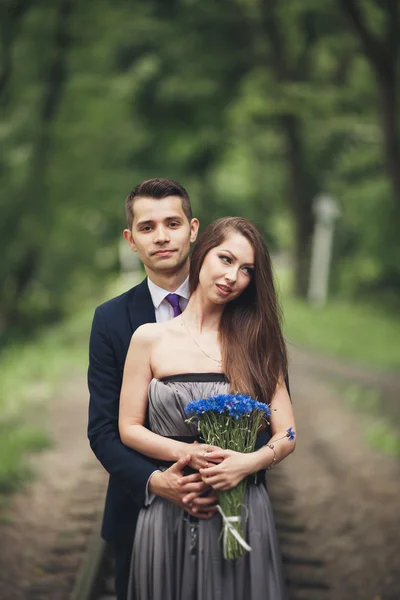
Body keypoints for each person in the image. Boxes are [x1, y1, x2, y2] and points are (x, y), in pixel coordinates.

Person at [119, 216, 296, 600]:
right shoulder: (149, 339)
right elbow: (128, 427)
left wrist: (246, 464)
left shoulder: (260, 343)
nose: (233, 276)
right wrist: (185, 453)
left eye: (247, 269)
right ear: (203, 254)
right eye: (226, 259)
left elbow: (288, 433)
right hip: (174, 497)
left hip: (242, 505)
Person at [88, 178, 219, 600]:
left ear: (193, 229)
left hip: (228, 505)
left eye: (172, 223)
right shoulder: (110, 320)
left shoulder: (234, 307)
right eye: (147, 227)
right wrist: (155, 481)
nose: (161, 236)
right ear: (131, 239)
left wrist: (222, 473)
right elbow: (104, 430)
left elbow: (271, 415)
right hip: (140, 508)